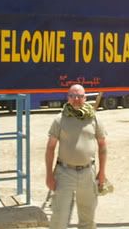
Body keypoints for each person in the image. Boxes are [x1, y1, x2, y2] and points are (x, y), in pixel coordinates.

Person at [45, 84, 108, 229]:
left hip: (88, 173)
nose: (76, 99)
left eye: (80, 96)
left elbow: (103, 146)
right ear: (68, 98)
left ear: (85, 98)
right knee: (59, 217)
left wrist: (102, 172)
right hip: (64, 173)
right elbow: (50, 148)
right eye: (72, 96)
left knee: (88, 216)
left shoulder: (94, 118)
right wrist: (49, 175)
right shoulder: (59, 119)